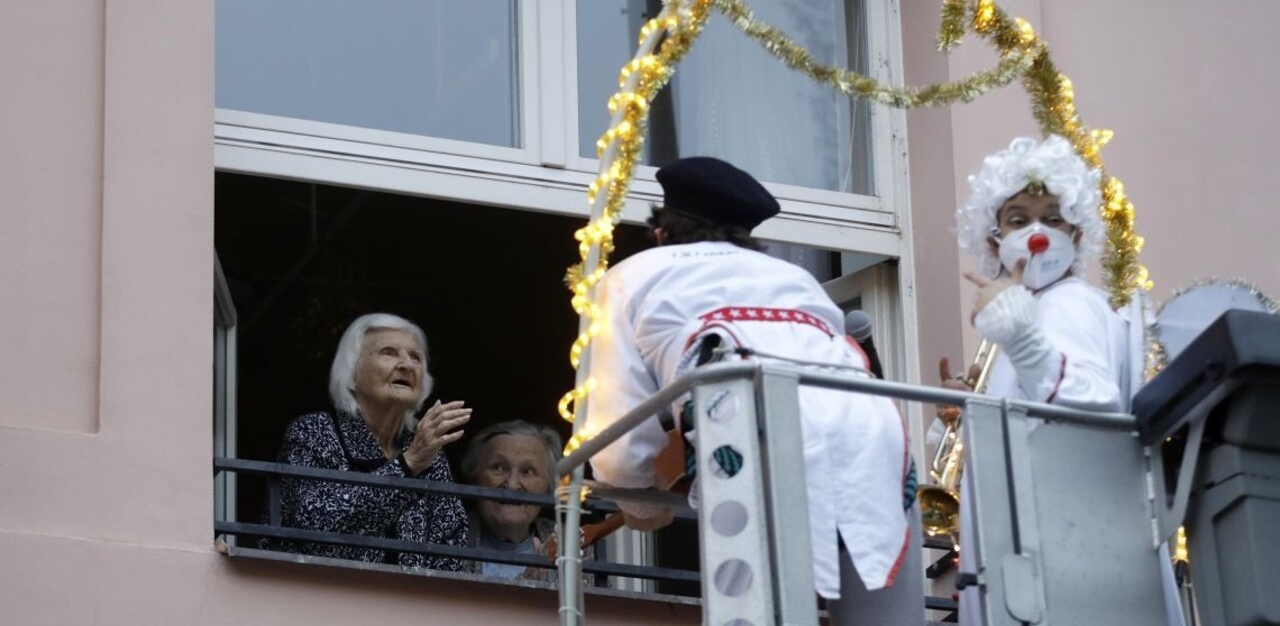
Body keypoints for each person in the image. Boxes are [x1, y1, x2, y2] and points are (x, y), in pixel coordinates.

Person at [583, 156, 923, 624]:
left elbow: (618, 429)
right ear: (746, 235)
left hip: (754, 427)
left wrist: (641, 505)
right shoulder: (795, 278)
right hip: (873, 427)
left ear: (662, 229)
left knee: (758, 610)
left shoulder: (630, 275)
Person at [941, 135, 1127, 623]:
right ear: (994, 241)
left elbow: (1093, 402)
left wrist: (1021, 339)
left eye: (1052, 217)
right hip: (1030, 556)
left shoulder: (1069, 302)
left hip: (1059, 561)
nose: (1038, 233)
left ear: (1078, 235)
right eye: (1019, 220)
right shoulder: (1034, 311)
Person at [272, 312, 472, 570]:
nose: (406, 365)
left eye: (416, 357)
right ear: (351, 372)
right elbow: (318, 529)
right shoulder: (314, 431)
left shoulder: (427, 449)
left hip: (410, 605)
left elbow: (451, 541)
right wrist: (406, 465)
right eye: (389, 353)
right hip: (318, 599)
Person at [459, 420, 565, 582]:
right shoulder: (449, 536)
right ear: (476, 477)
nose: (512, 484)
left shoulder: (571, 545)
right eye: (498, 467)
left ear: (549, 486)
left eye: (527, 471)